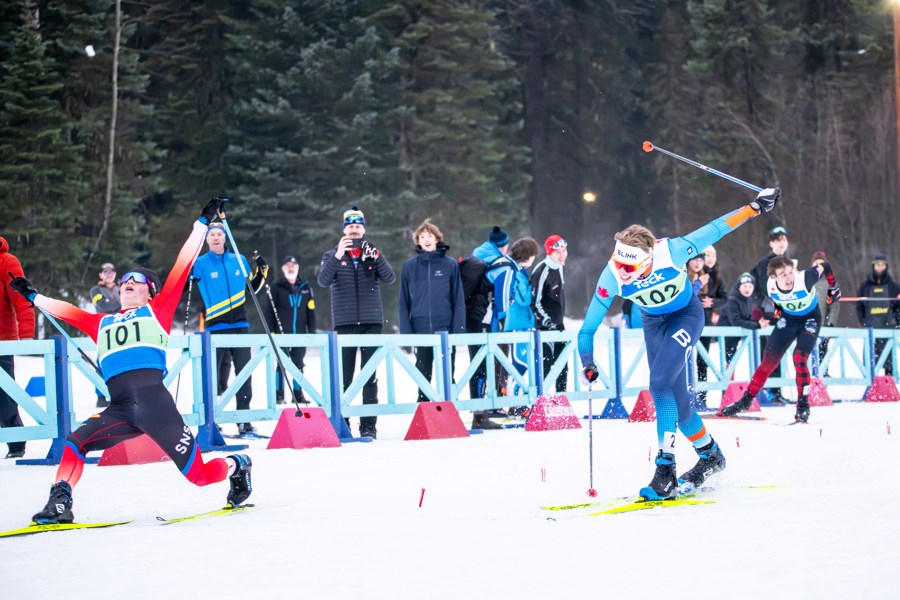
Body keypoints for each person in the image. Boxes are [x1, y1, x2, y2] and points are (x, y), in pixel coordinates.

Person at [9, 197, 252, 524]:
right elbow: (69, 311)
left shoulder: (158, 310)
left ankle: (238, 465)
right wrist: (33, 296)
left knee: (201, 476)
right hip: (120, 408)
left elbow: (182, 264)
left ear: (149, 292)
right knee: (75, 442)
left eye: (134, 283)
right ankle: (60, 501)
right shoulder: (102, 322)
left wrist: (202, 223)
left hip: (158, 410)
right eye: (124, 282)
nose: (126, 285)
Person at [578, 186, 780, 499]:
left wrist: (755, 207)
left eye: (629, 268)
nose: (622, 273)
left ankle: (665, 469)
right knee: (681, 409)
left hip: (686, 316)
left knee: (658, 384)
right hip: (654, 324)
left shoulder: (671, 251)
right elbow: (586, 330)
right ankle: (710, 455)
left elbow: (716, 228)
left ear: (647, 260)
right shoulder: (612, 275)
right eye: (617, 263)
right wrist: (587, 362)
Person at [720, 254, 840, 423]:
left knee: (799, 358)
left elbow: (826, 267)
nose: (789, 277)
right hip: (789, 320)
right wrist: (777, 304)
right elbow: (761, 264)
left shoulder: (805, 278)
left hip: (810, 319)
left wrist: (833, 287)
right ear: (773, 277)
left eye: (790, 272)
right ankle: (745, 401)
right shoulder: (766, 284)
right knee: (767, 363)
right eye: (783, 275)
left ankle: (803, 406)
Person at [318, 206, 396, 439]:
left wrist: (378, 258)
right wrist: (337, 255)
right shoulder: (331, 254)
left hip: (372, 321)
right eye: (350, 226)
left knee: (369, 375)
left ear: (363, 230)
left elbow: (390, 278)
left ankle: (368, 425)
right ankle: (343, 423)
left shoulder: (372, 252)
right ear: (344, 230)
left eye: (357, 226)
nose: (354, 230)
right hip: (345, 322)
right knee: (345, 376)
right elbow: (323, 281)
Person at [191, 222, 268, 438]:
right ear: (207, 239)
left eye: (219, 234)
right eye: (212, 235)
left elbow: (252, 289)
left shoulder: (239, 260)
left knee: (243, 374)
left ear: (225, 238)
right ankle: (211, 421)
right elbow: (187, 281)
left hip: (240, 325)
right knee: (212, 376)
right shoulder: (201, 263)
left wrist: (262, 271)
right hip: (215, 327)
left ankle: (244, 422)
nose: (216, 238)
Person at [398, 220, 465, 402]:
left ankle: (450, 411)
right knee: (423, 376)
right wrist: (406, 332)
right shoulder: (409, 267)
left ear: (437, 239)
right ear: (418, 241)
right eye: (422, 236)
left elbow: (458, 297)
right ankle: (424, 415)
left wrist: (458, 329)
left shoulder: (449, 264)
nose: (426, 239)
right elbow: (403, 301)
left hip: (444, 329)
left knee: (447, 375)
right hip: (420, 330)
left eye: (430, 236)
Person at [265, 255, 316, 405]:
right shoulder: (276, 286)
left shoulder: (305, 287)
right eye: (287, 265)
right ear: (283, 268)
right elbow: (268, 312)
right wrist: (272, 332)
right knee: (281, 364)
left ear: (298, 268)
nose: (291, 268)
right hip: (281, 334)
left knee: (298, 363)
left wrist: (311, 332)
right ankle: (279, 394)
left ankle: (298, 394)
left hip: (300, 333)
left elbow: (311, 311)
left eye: (293, 265)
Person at [0, 236, 35, 459]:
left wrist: (27, 334)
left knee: (3, 395)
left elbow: (22, 298)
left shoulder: (7, 261)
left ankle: (15, 442)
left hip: (2, 340)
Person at [750, 225, 790, 404]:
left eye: (783, 240)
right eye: (777, 240)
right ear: (771, 243)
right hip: (768, 313)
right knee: (768, 354)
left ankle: (777, 390)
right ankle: (767, 390)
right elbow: (764, 289)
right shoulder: (765, 263)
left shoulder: (788, 262)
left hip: (784, 313)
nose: (781, 243)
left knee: (779, 352)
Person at [531, 234, 569, 393]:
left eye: (564, 250)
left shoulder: (559, 267)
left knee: (562, 364)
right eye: (558, 252)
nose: (562, 255)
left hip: (559, 324)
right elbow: (535, 302)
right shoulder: (542, 270)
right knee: (545, 365)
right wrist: (547, 322)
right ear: (549, 253)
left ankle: (561, 398)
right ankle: (542, 400)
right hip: (544, 327)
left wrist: (558, 321)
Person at [855, 254, 900, 377]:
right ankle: (870, 386)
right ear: (873, 266)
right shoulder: (865, 286)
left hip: (888, 330)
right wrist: (863, 322)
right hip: (871, 330)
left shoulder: (894, 286)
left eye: (882, 265)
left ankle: (889, 385)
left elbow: (898, 307)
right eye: (877, 265)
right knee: (870, 364)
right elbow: (859, 307)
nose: (880, 267)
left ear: (886, 266)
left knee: (889, 363)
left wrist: (897, 323)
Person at [694, 246, 727, 408]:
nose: (710, 258)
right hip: (691, 320)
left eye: (713, 255)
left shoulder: (717, 276)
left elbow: (724, 298)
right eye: (707, 255)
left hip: (706, 322)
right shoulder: (693, 271)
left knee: (703, 360)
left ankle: (702, 398)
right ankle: (688, 397)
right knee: (686, 360)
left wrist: (712, 302)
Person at [718, 272, 769, 366]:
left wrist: (759, 323)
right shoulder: (732, 300)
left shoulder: (749, 300)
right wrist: (757, 325)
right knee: (728, 359)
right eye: (745, 286)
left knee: (733, 359)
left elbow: (747, 318)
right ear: (739, 287)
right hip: (726, 335)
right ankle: (727, 379)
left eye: (750, 286)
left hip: (737, 335)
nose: (747, 289)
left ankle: (730, 378)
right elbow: (735, 321)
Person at [89, 262, 121, 407]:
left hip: (121, 329)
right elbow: (103, 306)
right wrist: (122, 303)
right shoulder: (95, 290)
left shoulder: (121, 288)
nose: (109, 274)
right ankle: (100, 396)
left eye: (112, 271)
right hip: (104, 330)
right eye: (105, 272)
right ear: (100, 274)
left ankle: (119, 394)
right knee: (103, 362)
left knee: (120, 361)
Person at [811, 251, 840, 363]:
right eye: (816, 263)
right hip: (806, 324)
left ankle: (823, 375)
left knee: (822, 353)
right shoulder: (806, 280)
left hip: (823, 324)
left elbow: (834, 305)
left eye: (821, 263)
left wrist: (831, 323)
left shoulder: (830, 282)